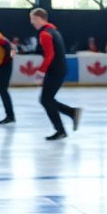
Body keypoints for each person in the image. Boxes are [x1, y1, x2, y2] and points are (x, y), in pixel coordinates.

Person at [29, 8, 81, 141]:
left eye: (33, 19)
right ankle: (71, 113)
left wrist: (40, 72)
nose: (32, 22)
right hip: (58, 70)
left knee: (46, 100)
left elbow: (50, 55)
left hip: (55, 71)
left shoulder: (45, 34)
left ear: (40, 18)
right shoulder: (53, 31)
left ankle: (62, 128)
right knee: (47, 100)